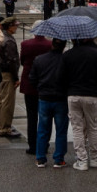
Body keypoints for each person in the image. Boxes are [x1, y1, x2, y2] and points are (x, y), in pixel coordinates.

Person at [60, 35, 97, 172]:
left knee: (77, 128)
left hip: (73, 94)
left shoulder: (67, 55)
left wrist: (67, 91)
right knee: (92, 127)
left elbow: (61, 77)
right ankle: (94, 158)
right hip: (91, 94)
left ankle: (82, 160)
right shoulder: (95, 54)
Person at [28, 38, 69, 168]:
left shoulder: (40, 59)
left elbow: (32, 79)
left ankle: (40, 158)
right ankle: (59, 158)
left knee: (43, 129)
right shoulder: (65, 60)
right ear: (63, 46)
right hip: (60, 98)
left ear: (52, 44)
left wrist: (40, 88)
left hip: (44, 97)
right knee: (61, 129)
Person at [19, 27, 53, 155]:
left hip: (29, 83)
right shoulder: (49, 45)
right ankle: (44, 144)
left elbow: (22, 60)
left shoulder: (25, 44)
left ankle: (32, 145)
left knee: (31, 116)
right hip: (45, 83)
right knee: (46, 116)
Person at [0, 17, 22, 138]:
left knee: (1, 100)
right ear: (9, 26)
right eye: (15, 25)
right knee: (7, 101)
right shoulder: (9, 40)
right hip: (8, 73)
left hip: (2, 72)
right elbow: (12, 60)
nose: (16, 27)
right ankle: (5, 128)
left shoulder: (1, 37)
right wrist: (16, 77)